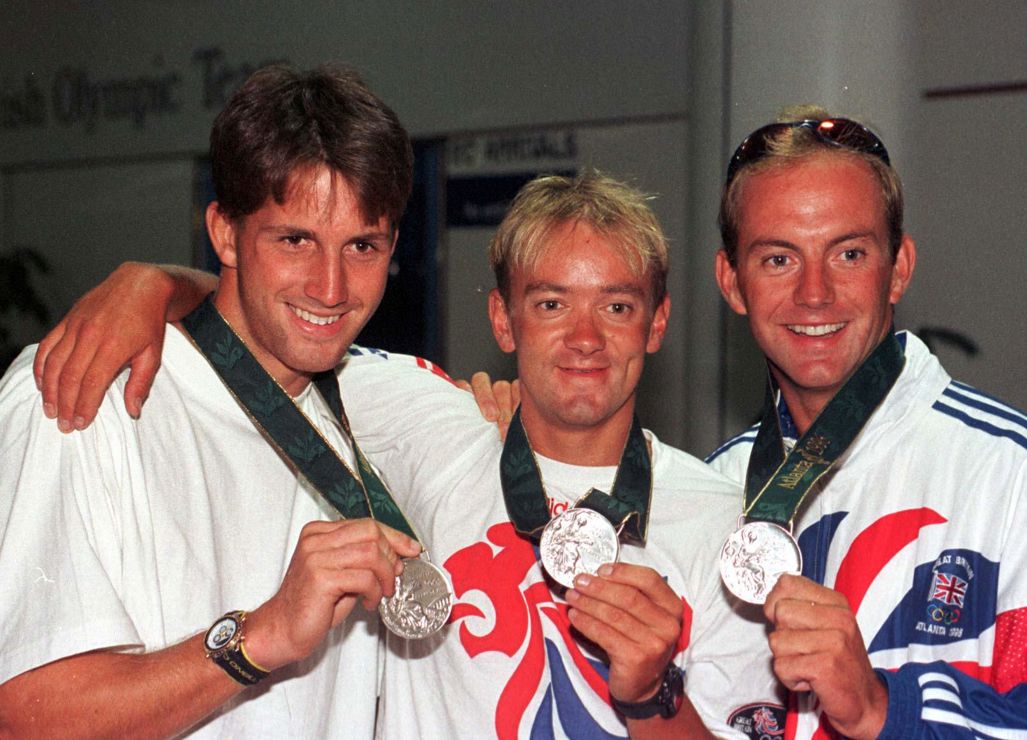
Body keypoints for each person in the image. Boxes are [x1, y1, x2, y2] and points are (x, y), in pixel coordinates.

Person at [28, 172, 779, 737]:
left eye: (616, 306)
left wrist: (651, 697)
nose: (584, 338)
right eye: (551, 303)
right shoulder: (427, 419)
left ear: (656, 323)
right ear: (502, 319)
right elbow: (274, 319)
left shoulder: (719, 518)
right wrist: (152, 285)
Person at [0, 64, 422, 737]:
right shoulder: (85, 389)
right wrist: (262, 636)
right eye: (294, 240)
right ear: (225, 233)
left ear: (392, 246)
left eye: (361, 246)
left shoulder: (385, 408)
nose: (331, 287)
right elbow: (28, 718)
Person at [705, 108, 1027, 738]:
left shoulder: (1008, 474)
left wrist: (882, 709)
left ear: (898, 269)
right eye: (779, 259)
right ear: (733, 283)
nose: (815, 293)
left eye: (849, 253)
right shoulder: (711, 491)